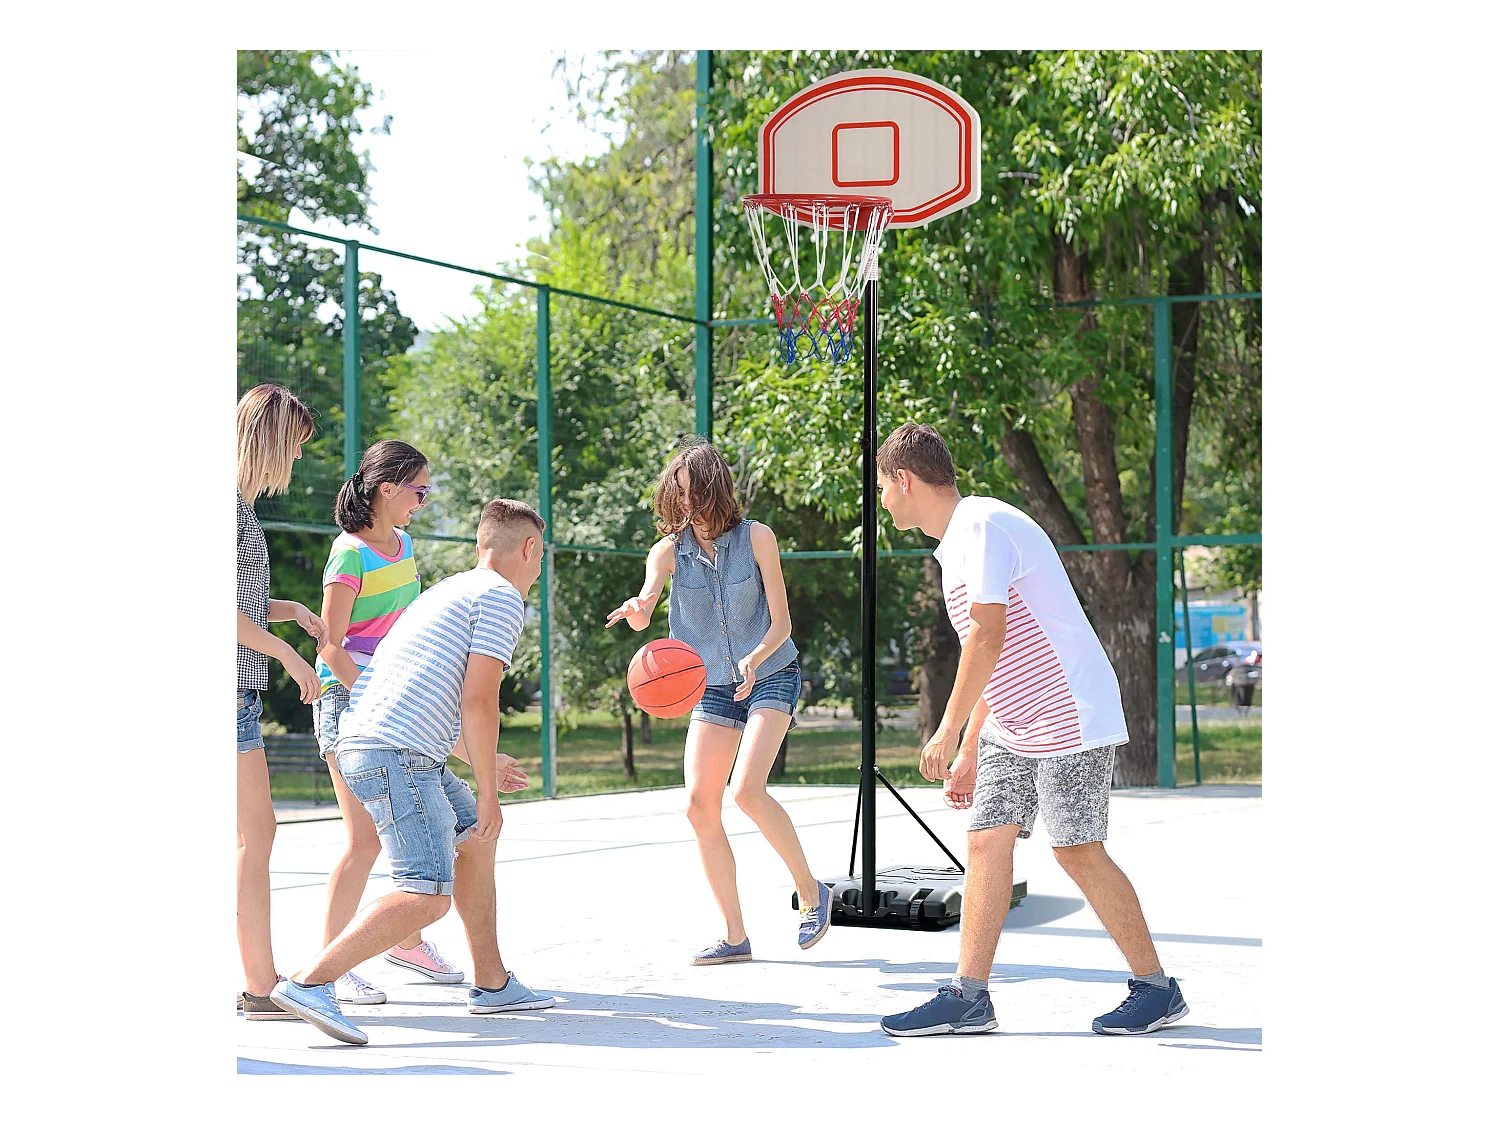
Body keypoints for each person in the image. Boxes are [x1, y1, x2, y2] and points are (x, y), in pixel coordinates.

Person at [873, 423, 1188, 1037]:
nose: (883, 500)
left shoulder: (983, 527)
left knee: (1076, 850)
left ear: (905, 481)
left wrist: (945, 728)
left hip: (1069, 714)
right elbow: (991, 653)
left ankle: (1156, 988)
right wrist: (969, 748)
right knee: (987, 842)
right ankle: (970, 995)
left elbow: (988, 636)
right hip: (1014, 723)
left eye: (884, 486)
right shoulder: (953, 548)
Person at [272, 500, 555, 1045]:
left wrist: (478, 761)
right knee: (426, 892)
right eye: (539, 558)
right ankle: (311, 982)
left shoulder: (452, 589)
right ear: (528, 549)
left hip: (392, 744)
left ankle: (492, 983)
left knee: (474, 839)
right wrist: (490, 793)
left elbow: (421, 696)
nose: (537, 569)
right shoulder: (501, 598)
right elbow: (478, 700)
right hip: (393, 755)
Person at [605, 436, 833, 965]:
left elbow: (782, 621)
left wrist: (755, 657)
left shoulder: (757, 538)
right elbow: (647, 602)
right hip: (711, 683)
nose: (686, 504)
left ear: (715, 489)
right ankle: (735, 937)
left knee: (747, 791)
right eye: (678, 494)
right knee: (698, 805)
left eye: (694, 492)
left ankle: (811, 892)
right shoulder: (667, 552)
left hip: (771, 670)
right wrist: (638, 610)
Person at [313, 439, 465, 1006]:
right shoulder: (348, 554)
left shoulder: (403, 544)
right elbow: (330, 645)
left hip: (395, 705)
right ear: (387, 489)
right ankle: (329, 964)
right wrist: (373, 696)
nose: (422, 503)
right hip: (348, 705)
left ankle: (405, 940)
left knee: (418, 830)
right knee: (362, 843)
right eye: (418, 491)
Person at [236, 384, 329, 1020]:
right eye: (293, 447)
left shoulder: (239, 510)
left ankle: (260, 982)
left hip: (235, 691)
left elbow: (240, 609)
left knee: (253, 834)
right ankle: (260, 985)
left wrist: (290, 612)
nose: (294, 462)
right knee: (255, 834)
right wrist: (289, 654)